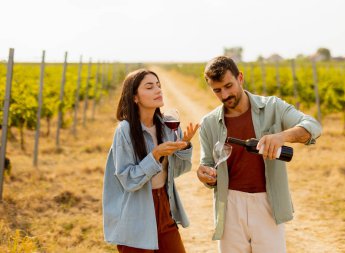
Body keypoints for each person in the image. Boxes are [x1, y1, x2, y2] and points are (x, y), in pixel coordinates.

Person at [196, 56, 322, 253]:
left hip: (268, 204)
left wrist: (282, 136)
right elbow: (207, 164)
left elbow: (313, 127)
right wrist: (205, 175)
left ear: (240, 77)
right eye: (217, 90)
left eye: (229, 86)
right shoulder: (209, 123)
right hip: (229, 205)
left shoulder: (273, 106)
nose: (225, 95)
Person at [103, 69, 199, 253]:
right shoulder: (125, 131)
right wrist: (154, 156)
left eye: (158, 85)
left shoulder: (168, 126)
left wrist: (184, 147)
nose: (158, 90)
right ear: (134, 98)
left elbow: (176, 172)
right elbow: (128, 180)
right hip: (134, 211)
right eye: (149, 87)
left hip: (164, 205)